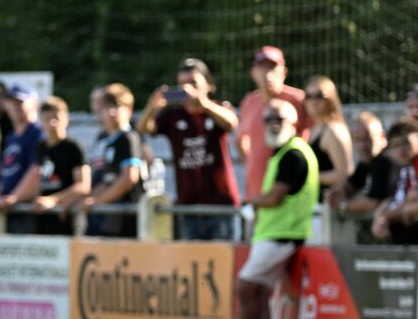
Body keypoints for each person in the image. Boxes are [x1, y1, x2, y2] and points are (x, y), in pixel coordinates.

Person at [231, 99, 319, 319]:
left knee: (245, 286)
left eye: (278, 119)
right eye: (267, 119)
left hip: (282, 236)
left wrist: (252, 202)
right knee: (258, 293)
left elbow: (274, 197)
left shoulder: (293, 154)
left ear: (294, 123)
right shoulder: (282, 154)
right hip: (274, 235)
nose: (272, 124)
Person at [137, 58, 241, 240]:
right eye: (182, 84)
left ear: (208, 85)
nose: (187, 89)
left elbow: (231, 123)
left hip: (220, 206)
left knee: (222, 257)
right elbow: (143, 128)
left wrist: (203, 102)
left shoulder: (218, 109)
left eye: (193, 83)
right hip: (188, 207)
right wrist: (152, 107)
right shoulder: (173, 116)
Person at [236, 45, 309, 202]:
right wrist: (252, 163)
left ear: (284, 72)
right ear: (253, 73)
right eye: (262, 68)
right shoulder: (248, 103)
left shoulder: (299, 101)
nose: (267, 74)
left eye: (272, 68)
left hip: (288, 193)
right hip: (256, 191)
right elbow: (240, 139)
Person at [9, 97, 89, 236]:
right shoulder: (40, 148)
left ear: (67, 119)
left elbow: (83, 186)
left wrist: (54, 200)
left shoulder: (73, 147)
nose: (52, 123)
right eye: (47, 119)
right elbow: (37, 181)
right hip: (44, 218)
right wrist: (13, 199)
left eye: (56, 118)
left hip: (66, 218)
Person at [82, 83, 143, 237]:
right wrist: (89, 199)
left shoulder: (128, 138)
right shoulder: (104, 140)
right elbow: (108, 179)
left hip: (125, 219)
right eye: (106, 107)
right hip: (107, 219)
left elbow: (129, 177)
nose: (111, 112)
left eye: (117, 106)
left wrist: (98, 201)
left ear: (129, 109)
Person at [0, 84, 43, 234]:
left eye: (20, 102)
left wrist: (14, 197)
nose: (14, 106)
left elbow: (37, 169)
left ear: (34, 103)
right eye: (10, 102)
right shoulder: (11, 137)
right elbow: (11, 168)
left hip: (29, 210)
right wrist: (0, 189)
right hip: (12, 209)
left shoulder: (38, 133)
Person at [329, 111, 392, 219]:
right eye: (358, 140)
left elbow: (374, 202)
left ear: (382, 136)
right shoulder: (368, 161)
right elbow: (350, 186)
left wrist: (343, 206)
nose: (362, 146)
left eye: (368, 139)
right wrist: (336, 193)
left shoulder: (385, 161)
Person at [301, 76, 354, 200]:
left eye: (319, 96)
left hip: (329, 205)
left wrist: (307, 177)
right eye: (309, 96)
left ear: (331, 99)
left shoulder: (333, 131)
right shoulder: (313, 130)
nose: (313, 101)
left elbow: (344, 174)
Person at [370, 120, 418, 245]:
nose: (401, 150)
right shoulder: (406, 169)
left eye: (406, 143)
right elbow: (398, 199)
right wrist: (380, 215)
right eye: (395, 145)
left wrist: (389, 215)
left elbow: (410, 207)